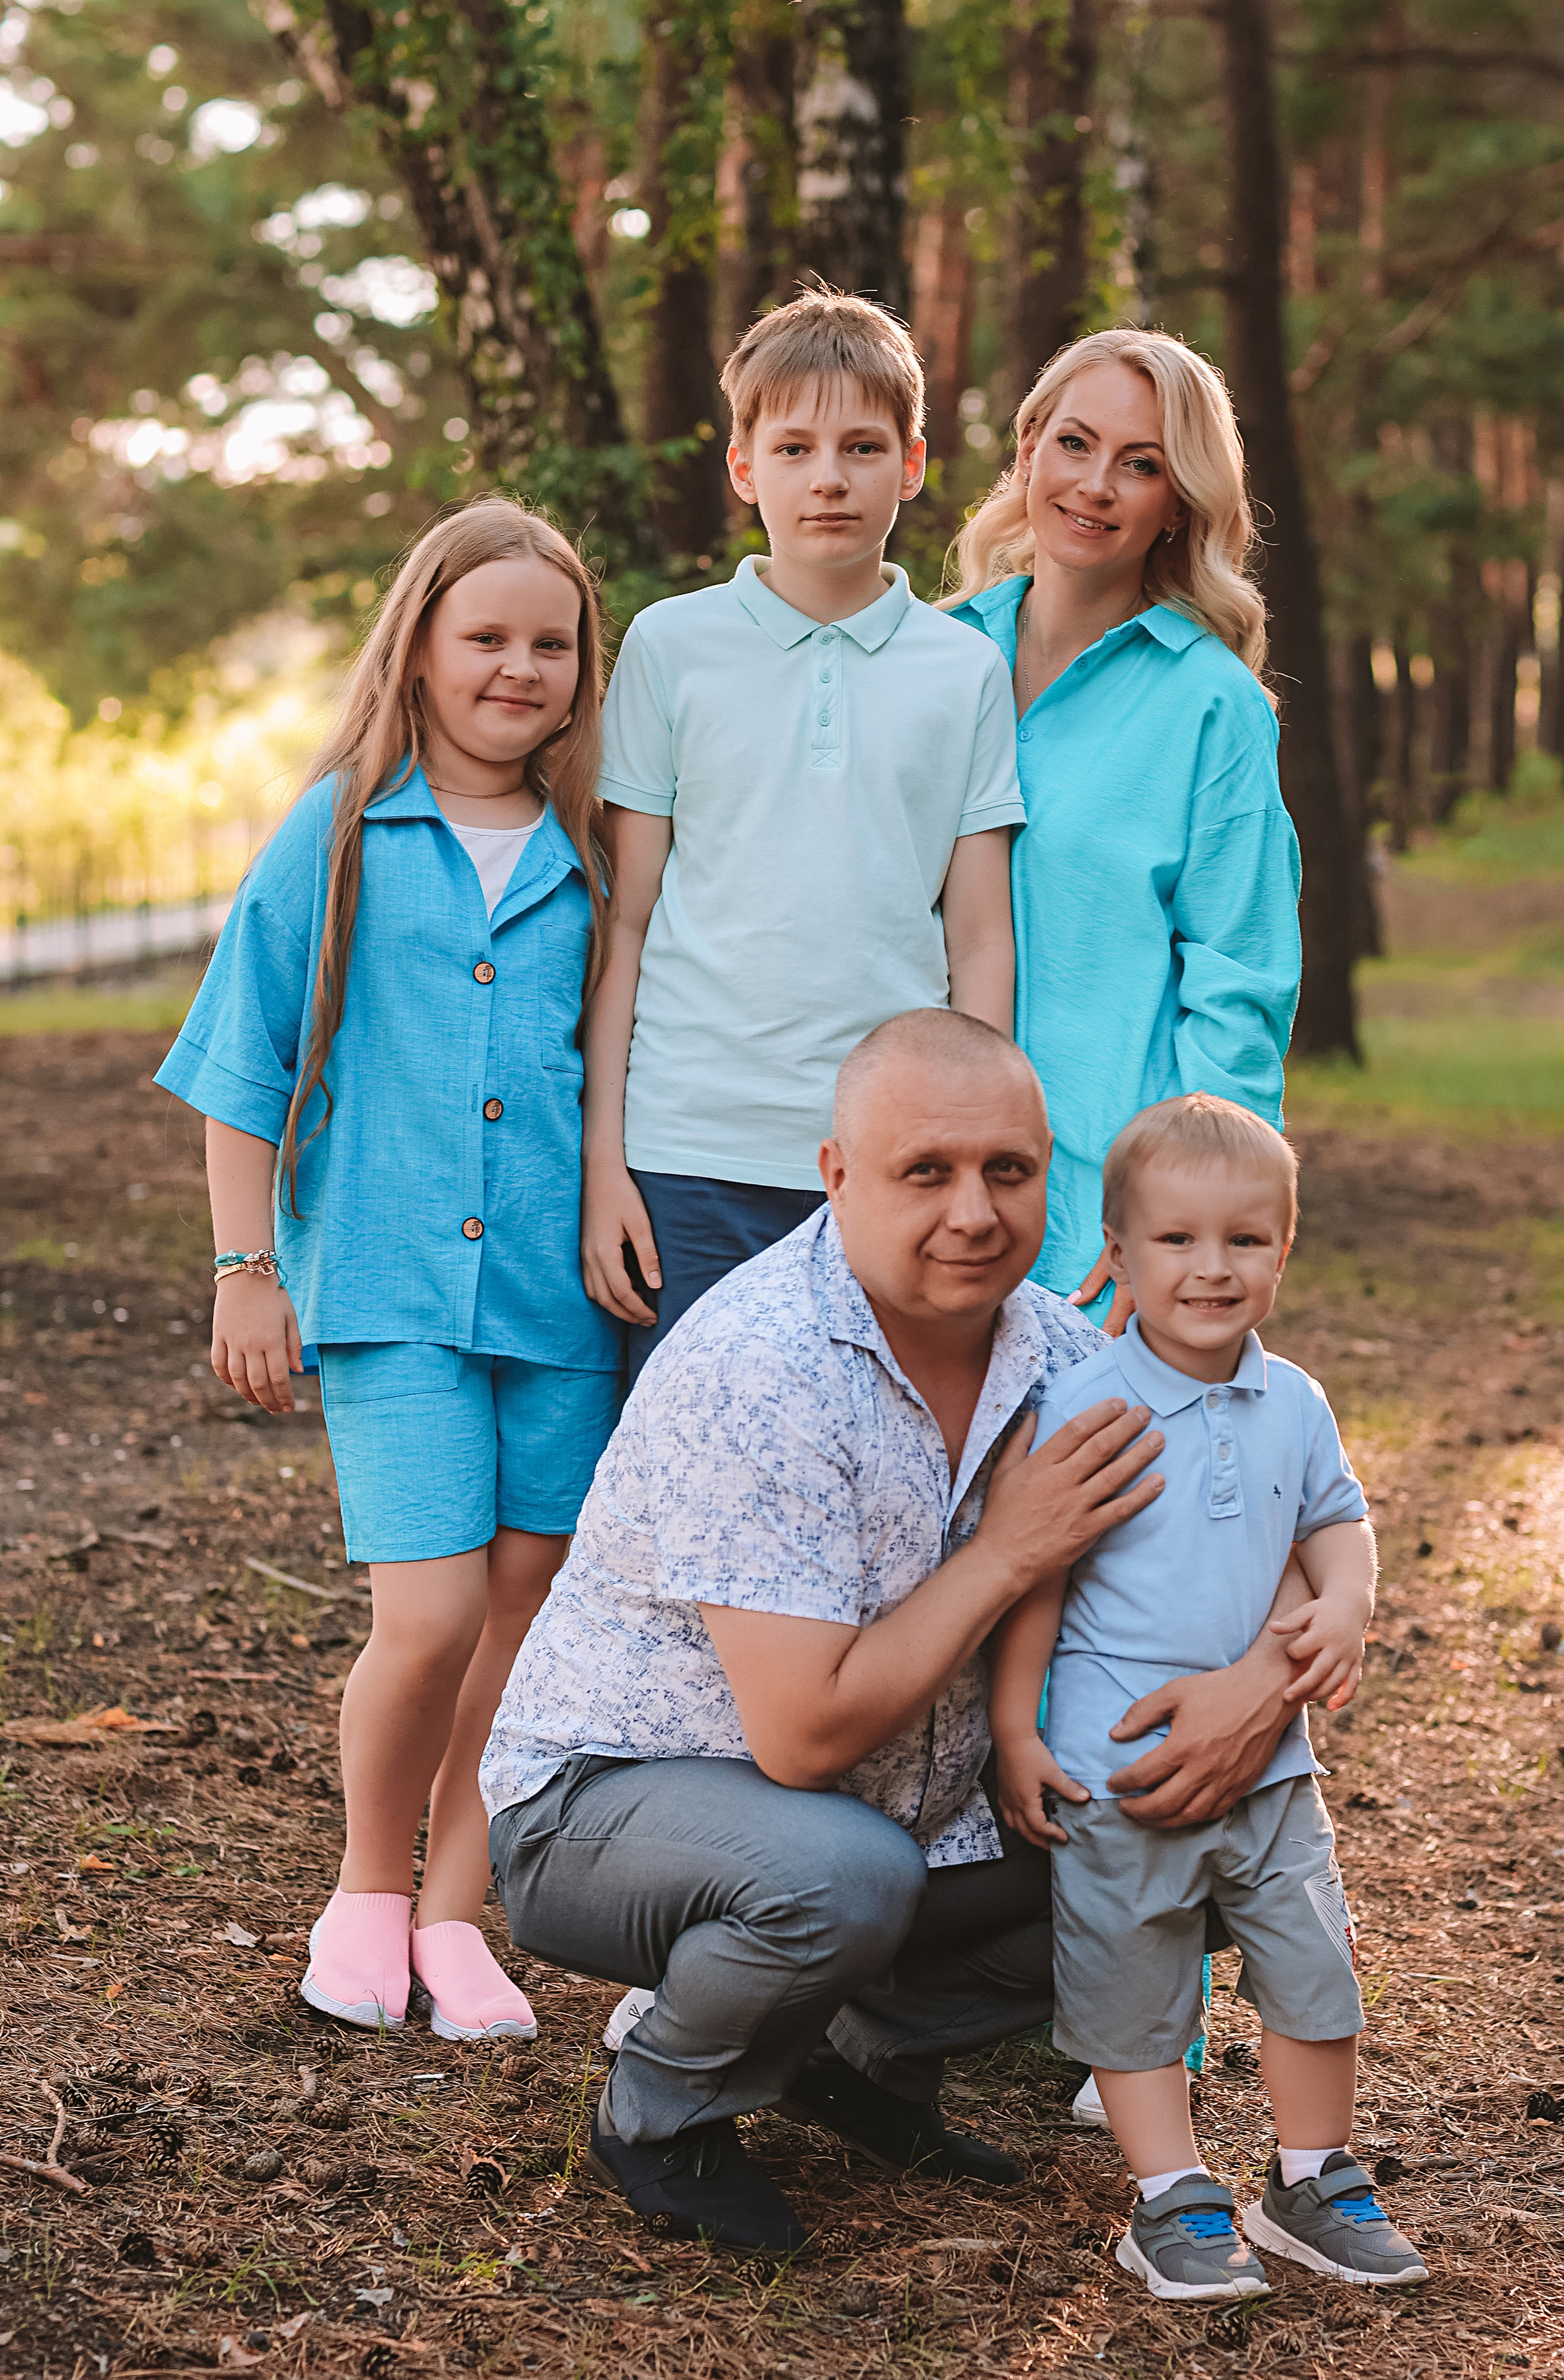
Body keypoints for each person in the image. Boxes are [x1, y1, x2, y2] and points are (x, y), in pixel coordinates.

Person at [482, 1013, 1322, 2253]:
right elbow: (804, 1739)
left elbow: (1269, 1530)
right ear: (836, 1174)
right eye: (926, 1171)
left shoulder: (1066, 1357)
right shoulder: (762, 1367)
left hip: (899, 1815)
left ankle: (855, 2057)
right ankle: (659, 2113)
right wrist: (1008, 1550)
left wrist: (1263, 1684)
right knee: (835, 1876)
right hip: (606, 1809)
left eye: (1010, 1172)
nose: (975, 1213)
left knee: (1167, 1821)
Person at [155, 497, 622, 2044]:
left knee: (520, 1615)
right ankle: (366, 1890)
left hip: (559, 1310)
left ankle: (454, 1917)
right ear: (419, 649)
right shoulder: (340, 831)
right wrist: (244, 1267)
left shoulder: (600, 855)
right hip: (383, 1286)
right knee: (424, 1615)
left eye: (547, 643)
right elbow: (245, 1064)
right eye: (485, 636)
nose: (517, 666)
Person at [990, 1094, 1426, 2301]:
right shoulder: (1090, 1405)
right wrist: (1016, 1732)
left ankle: (1313, 2174)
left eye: (1244, 1239)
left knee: (1311, 1968)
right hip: (1116, 1762)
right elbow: (1035, 1583)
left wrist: (1343, 1605)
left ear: (1285, 1249)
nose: (1212, 1268)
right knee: (1134, 1977)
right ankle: (1171, 2196)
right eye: (1177, 1241)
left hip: (1275, 1768)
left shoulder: (1295, 1402)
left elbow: (1341, 1525)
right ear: (1118, 1255)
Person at [579, 287, 1024, 1378]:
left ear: (912, 466)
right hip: (688, 1148)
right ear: (745, 469)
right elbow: (624, 921)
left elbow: (979, 941)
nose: (829, 476)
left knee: (886, 1471)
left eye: (863, 446)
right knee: (693, 1475)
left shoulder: (964, 667)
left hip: (891, 1161)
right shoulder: (671, 647)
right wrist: (604, 1164)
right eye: (795, 446)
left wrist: (975, 1157)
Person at [943, 328, 1302, 1330]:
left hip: (1095, 1222)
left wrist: (1189, 1233)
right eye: (1074, 444)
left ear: (1177, 502)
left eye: (1139, 465)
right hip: (915, 1199)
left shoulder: (1210, 706)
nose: (1096, 485)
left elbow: (1241, 987)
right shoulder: (932, 659)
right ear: (1026, 453)